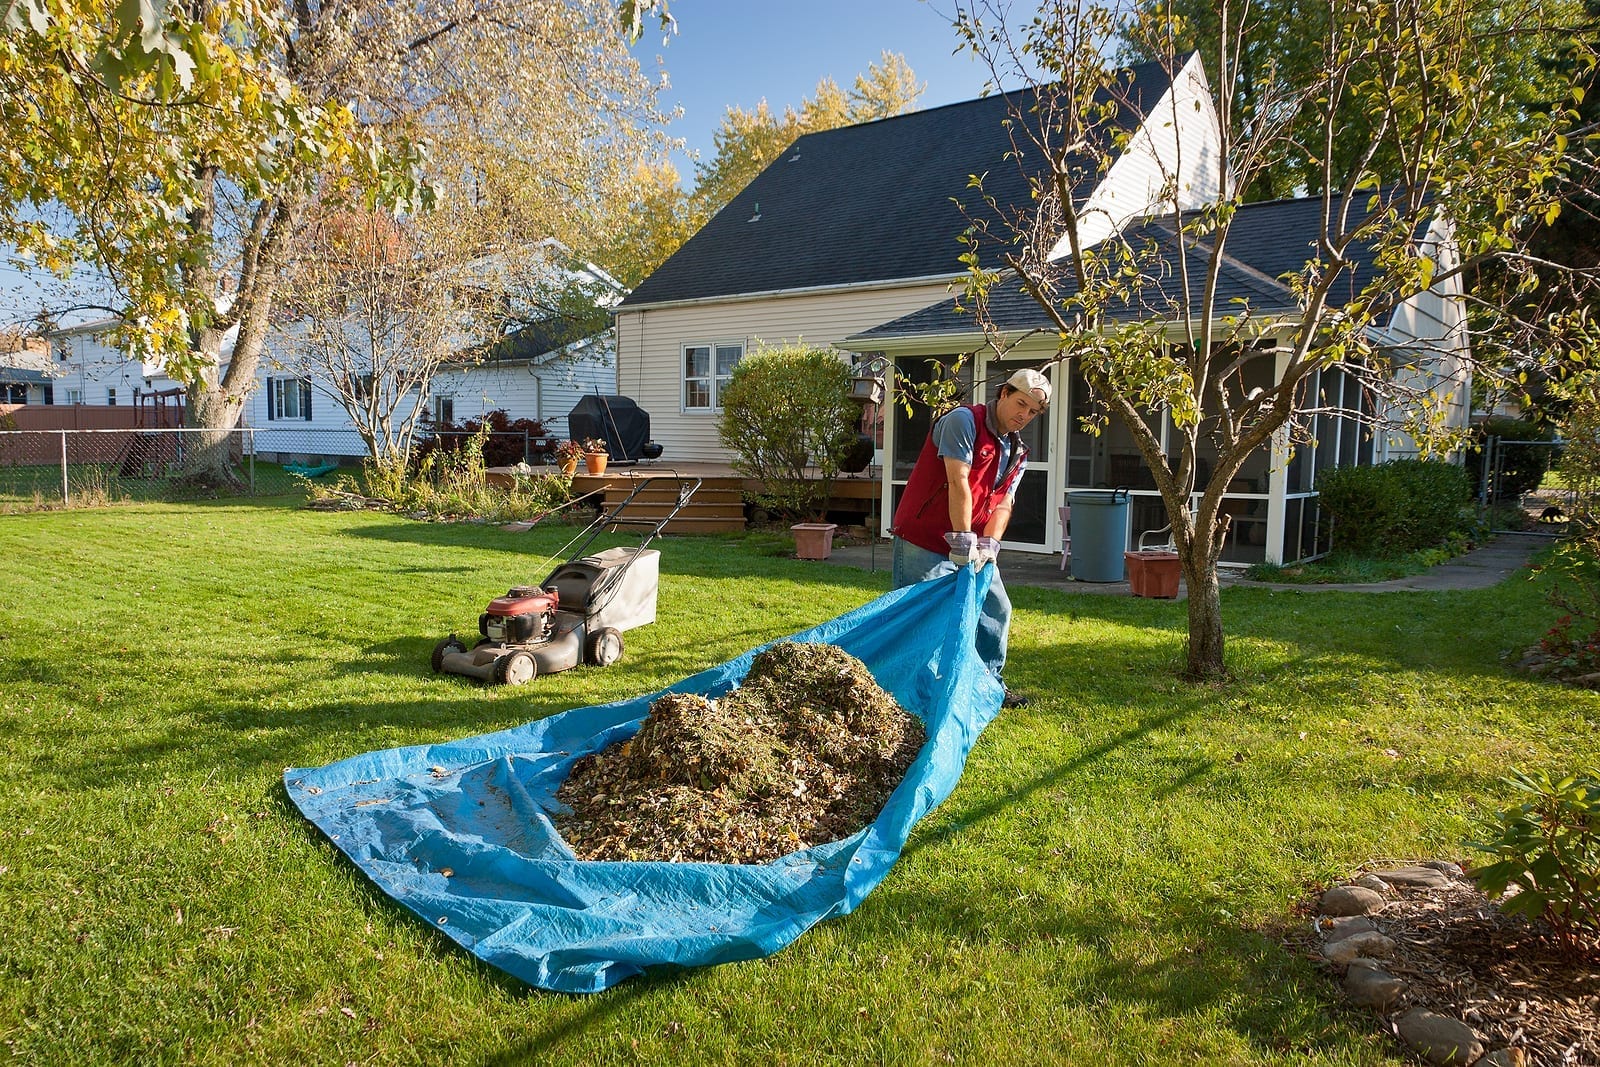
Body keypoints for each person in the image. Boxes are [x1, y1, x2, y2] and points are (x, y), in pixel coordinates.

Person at [889, 368, 1050, 708]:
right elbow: (958, 479)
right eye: (1020, 403)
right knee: (917, 616)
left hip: (974, 544)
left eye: (1033, 411)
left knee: (996, 608)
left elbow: (1005, 501)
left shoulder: (1018, 451)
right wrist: (962, 537)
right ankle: (908, 692)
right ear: (1003, 393)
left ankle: (987, 684)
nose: (1024, 415)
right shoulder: (964, 421)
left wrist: (990, 543)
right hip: (925, 537)